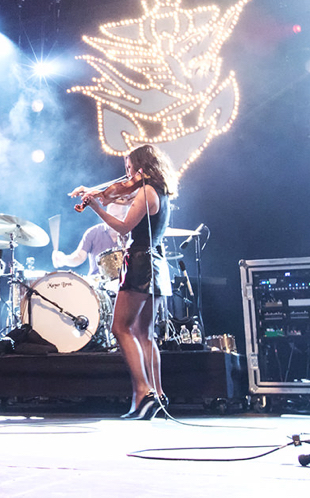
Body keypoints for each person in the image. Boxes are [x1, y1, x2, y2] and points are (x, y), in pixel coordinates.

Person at [73, 145, 178, 419]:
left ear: (141, 167)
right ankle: (158, 395)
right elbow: (119, 194)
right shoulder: (159, 191)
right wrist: (97, 193)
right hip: (157, 262)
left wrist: (95, 205)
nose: (127, 174)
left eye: (129, 168)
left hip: (141, 262)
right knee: (146, 334)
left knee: (120, 327)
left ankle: (143, 393)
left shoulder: (145, 191)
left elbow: (122, 227)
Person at [52, 199, 130, 277]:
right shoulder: (93, 233)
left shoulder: (131, 235)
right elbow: (79, 257)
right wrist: (64, 259)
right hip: (97, 284)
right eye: (109, 215)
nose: (110, 220)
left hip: (125, 283)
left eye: (115, 216)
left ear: (124, 216)